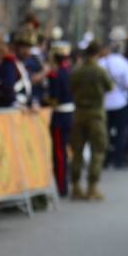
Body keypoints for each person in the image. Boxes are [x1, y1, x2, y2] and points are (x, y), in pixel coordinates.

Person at [69, 41, 115, 201]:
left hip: (79, 113)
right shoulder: (100, 71)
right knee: (97, 150)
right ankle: (92, 187)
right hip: (96, 114)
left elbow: (71, 87)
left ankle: (75, 186)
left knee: (77, 152)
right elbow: (110, 87)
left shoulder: (77, 71)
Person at [98, 40, 128, 168]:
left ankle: (105, 159)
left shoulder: (101, 63)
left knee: (105, 132)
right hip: (120, 102)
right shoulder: (124, 63)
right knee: (121, 132)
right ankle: (118, 159)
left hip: (104, 102)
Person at [47, 40, 74, 196]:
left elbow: (54, 98)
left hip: (60, 115)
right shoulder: (70, 71)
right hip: (70, 114)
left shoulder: (56, 74)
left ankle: (61, 186)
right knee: (64, 151)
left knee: (59, 152)